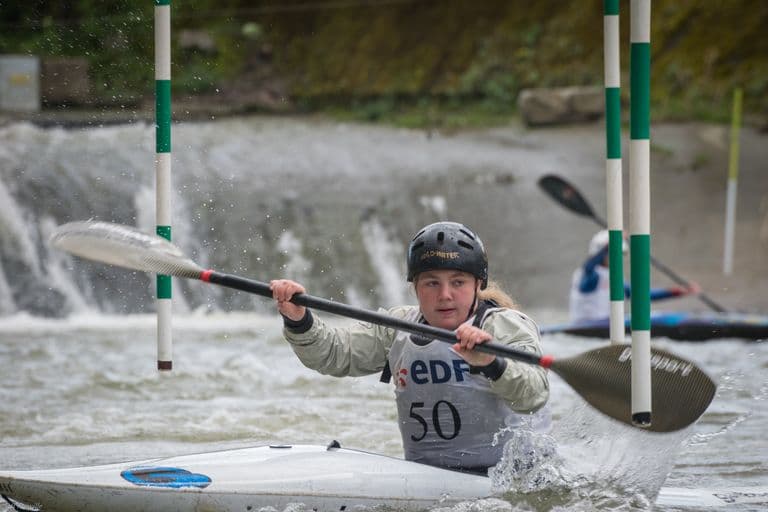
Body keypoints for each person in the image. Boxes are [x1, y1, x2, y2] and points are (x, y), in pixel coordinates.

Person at [270, 221, 550, 475]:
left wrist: (491, 362)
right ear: (415, 287)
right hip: (427, 478)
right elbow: (334, 354)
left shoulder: (506, 326)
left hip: (510, 479)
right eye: (431, 283)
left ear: (478, 285)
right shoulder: (397, 327)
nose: (445, 295)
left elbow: (534, 395)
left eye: (458, 282)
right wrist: (299, 319)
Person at [569, 230, 701, 323]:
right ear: (602, 252)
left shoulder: (612, 276)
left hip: (605, 324)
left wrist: (677, 292)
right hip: (586, 325)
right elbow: (589, 266)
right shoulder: (589, 275)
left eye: (621, 254)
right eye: (614, 253)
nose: (618, 258)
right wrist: (610, 244)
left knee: (651, 315)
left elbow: (642, 296)